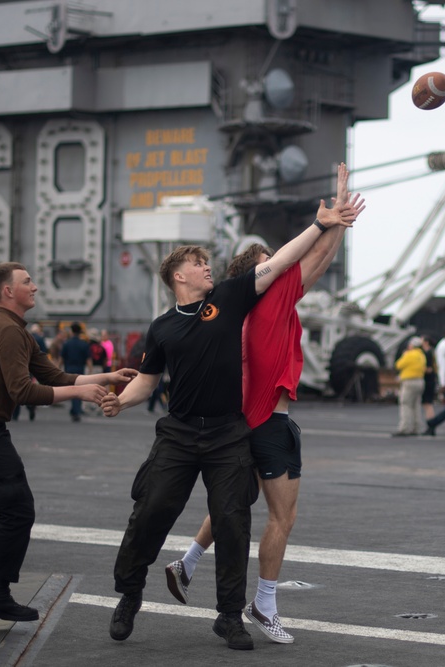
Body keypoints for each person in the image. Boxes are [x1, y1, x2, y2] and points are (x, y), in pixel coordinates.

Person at [99, 189, 355, 651]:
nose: (207, 267)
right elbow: (148, 380)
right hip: (178, 434)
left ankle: (228, 617)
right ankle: (129, 595)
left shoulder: (231, 298)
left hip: (226, 433)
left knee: (234, 522)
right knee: (151, 511)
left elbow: (280, 264)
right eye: (199, 263)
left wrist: (322, 224)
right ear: (179, 275)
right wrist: (123, 400)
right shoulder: (162, 328)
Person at [164, 166, 363, 645]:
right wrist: (335, 216)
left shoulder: (242, 314)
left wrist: (338, 220)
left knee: (236, 503)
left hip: (240, 424)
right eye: (269, 260)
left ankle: (186, 562)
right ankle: (264, 603)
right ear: (259, 273)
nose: (279, 263)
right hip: (269, 425)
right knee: (282, 518)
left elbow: (314, 262)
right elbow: (315, 260)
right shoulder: (271, 301)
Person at [0, 262, 136, 638]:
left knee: (16, 510)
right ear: (7, 291)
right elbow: (22, 392)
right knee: (15, 512)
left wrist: (108, 376)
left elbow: (54, 377)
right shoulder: (7, 330)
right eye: (27, 282)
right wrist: (81, 393)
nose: (36, 287)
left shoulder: (16, 331)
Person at [393, 336, 426, 436]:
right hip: (419, 381)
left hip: (409, 382)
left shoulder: (409, 354)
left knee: (405, 404)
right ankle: (416, 428)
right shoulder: (421, 355)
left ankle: (405, 428)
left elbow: (398, 365)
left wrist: (404, 355)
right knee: (416, 405)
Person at [60, 322, 90, 422]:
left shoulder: (67, 343)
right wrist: (90, 370)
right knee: (79, 390)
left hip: (69, 370)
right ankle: (76, 410)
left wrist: (58, 369)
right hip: (80, 370)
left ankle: (75, 410)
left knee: (72, 390)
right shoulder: (84, 344)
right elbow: (88, 359)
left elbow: (62, 358)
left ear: (72, 331)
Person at [420, 336, 437, 424]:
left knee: (427, 403)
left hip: (428, 380)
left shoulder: (428, 353)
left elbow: (429, 369)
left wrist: (419, 369)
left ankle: (431, 423)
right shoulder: (432, 352)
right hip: (431, 380)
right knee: (427, 403)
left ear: (426, 342)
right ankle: (430, 422)